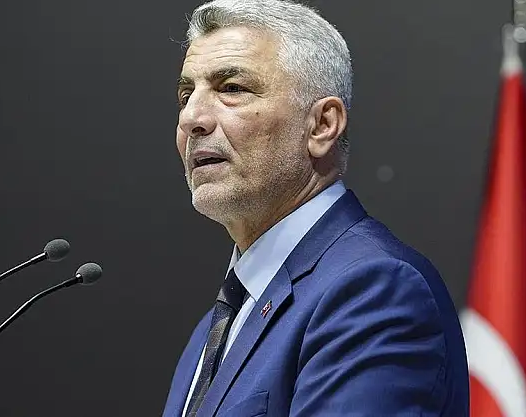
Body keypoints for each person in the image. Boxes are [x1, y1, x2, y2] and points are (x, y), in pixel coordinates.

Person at [162, 0, 470, 415]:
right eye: (186, 95)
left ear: (322, 125)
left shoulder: (372, 291)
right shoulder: (214, 330)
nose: (191, 118)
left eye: (231, 88)